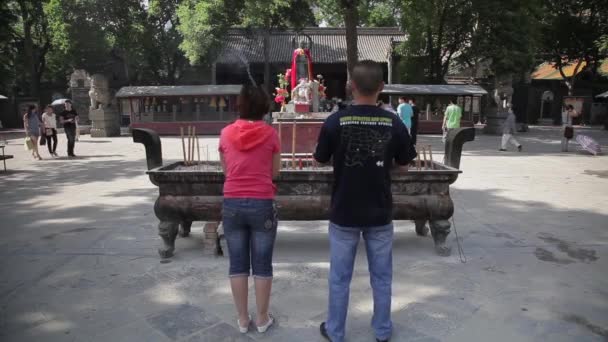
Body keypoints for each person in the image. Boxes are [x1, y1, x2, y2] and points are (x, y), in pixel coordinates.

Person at [314, 60, 417, 342]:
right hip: (379, 211)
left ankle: (335, 332)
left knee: (339, 278)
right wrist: (384, 167)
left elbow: (319, 159)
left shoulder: (335, 120)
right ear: (381, 88)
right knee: (382, 277)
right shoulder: (393, 122)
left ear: (351, 87)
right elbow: (405, 164)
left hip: (344, 210)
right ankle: (382, 331)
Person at [219, 85, 281, 335]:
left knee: (237, 264)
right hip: (262, 202)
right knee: (263, 264)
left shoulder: (225, 133)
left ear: (240, 105)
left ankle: (243, 320)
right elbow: (275, 172)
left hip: (232, 202)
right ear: (265, 107)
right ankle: (263, 318)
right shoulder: (271, 134)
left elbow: (226, 171)